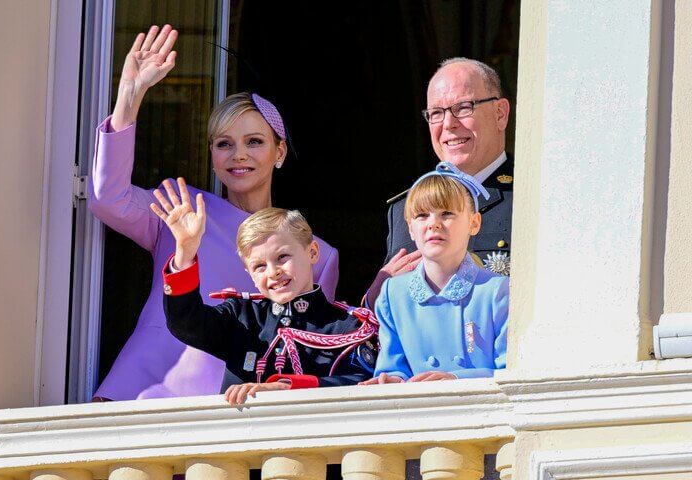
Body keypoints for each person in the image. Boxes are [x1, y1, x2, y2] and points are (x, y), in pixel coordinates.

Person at [89, 25, 339, 401]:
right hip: (144, 396)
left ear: (280, 152)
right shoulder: (183, 207)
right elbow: (108, 198)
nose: (238, 154)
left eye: (254, 142)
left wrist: (375, 298)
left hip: (235, 413)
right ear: (213, 156)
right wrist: (130, 94)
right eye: (225, 144)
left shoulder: (315, 250)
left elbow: (314, 346)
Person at [153, 199, 375, 405]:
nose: (273, 272)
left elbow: (363, 383)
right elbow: (186, 324)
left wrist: (289, 387)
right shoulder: (242, 317)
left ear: (313, 252)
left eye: (282, 257)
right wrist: (185, 252)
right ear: (249, 273)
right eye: (259, 266)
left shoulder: (347, 326)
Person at [367, 57, 513, 308]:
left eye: (464, 107)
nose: (448, 124)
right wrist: (375, 295)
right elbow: (383, 314)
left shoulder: (531, 196)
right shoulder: (406, 207)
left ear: (500, 114)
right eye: (436, 113)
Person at [360, 162, 508, 385]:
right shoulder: (393, 294)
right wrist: (389, 380)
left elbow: (511, 372)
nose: (434, 224)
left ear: (474, 223)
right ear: (410, 227)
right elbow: (393, 366)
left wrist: (456, 378)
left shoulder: (497, 291)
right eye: (421, 215)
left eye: (446, 213)